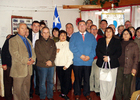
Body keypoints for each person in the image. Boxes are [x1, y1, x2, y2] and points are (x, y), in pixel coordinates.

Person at [70, 20, 97, 100]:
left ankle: (87, 93)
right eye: (80, 25)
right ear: (78, 27)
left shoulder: (91, 36)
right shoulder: (74, 36)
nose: (82, 26)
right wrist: (80, 56)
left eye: (83, 25)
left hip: (88, 62)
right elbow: (72, 47)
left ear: (86, 26)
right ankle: (77, 93)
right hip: (77, 62)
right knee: (77, 79)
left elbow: (95, 48)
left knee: (87, 79)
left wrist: (89, 56)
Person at [9, 23, 36, 100]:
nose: (24, 30)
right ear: (17, 29)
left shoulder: (28, 40)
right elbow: (14, 54)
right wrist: (26, 61)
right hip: (18, 70)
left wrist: (33, 59)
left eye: (25, 28)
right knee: (17, 91)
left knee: (26, 90)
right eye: (22, 28)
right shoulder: (13, 40)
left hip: (28, 69)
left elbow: (33, 52)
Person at [96, 27, 122, 100]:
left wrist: (109, 58)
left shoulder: (116, 41)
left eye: (110, 31)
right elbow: (97, 51)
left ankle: (109, 98)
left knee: (111, 82)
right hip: (102, 63)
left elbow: (119, 52)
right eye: (107, 31)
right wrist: (103, 58)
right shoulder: (100, 40)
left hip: (113, 64)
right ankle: (103, 98)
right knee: (102, 82)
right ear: (105, 32)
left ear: (113, 32)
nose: (108, 33)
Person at [115, 29, 139, 100]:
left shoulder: (134, 44)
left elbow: (136, 57)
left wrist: (134, 68)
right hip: (119, 67)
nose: (125, 35)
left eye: (127, 34)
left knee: (127, 86)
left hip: (129, 68)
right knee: (118, 86)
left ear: (130, 35)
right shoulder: (118, 43)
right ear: (122, 35)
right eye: (124, 34)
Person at [35, 27, 56, 100]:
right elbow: (37, 54)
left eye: (47, 32)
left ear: (49, 33)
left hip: (51, 65)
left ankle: (50, 96)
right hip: (42, 65)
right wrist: (46, 62)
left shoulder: (52, 41)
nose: (46, 34)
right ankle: (42, 96)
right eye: (44, 32)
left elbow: (54, 52)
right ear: (41, 34)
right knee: (42, 83)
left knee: (50, 81)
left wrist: (51, 60)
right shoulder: (37, 42)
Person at [55, 30, 73, 100]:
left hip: (67, 65)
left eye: (64, 35)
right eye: (61, 35)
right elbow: (53, 55)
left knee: (66, 80)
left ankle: (64, 94)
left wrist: (67, 65)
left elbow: (71, 56)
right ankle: (63, 92)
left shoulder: (69, 44)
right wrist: (56, 52)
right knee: (61, 80)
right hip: (58, 65)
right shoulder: (56, 44)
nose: (63, 36)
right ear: (59, 36)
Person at [28, 21, 41, 98]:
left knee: (39, 77)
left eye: (38, 26)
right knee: (30, 77)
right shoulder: (27, 34)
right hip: (29, 59)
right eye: (34, 26)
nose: (36, 27)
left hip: (39, 60)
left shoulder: (42, 35)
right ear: (31, 26)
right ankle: (30, 92)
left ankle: (38, 91)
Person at [1, 34, 16, 100]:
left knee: (16, 83)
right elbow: (3, 51)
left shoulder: (26, 40)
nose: (26, 33)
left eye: (27, 32)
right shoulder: (11, 38)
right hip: (8, 65)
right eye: (23, 30)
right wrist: (4, 63)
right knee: (8, 82)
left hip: (18, 66)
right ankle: (8, 98)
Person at [89, 25, 102, 96]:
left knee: (97, 75)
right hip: (89, 59)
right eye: (92, 29)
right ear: (90, 30)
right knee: (90, 75)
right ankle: (91, 88)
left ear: (97, 30)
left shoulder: (101, 38)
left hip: (98, 59)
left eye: (95, 29)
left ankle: (97, 89)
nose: (94, 31)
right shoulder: (88, 37)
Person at [52, 27, 61, 92]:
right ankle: (52, 87)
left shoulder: (61, 40)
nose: (55, 32)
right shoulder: (50, 40)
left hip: (60, 59)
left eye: (56, 31)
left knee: (59, 74)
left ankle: (59, 86)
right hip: (53, 59)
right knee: (52, 74)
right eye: (54, 31)